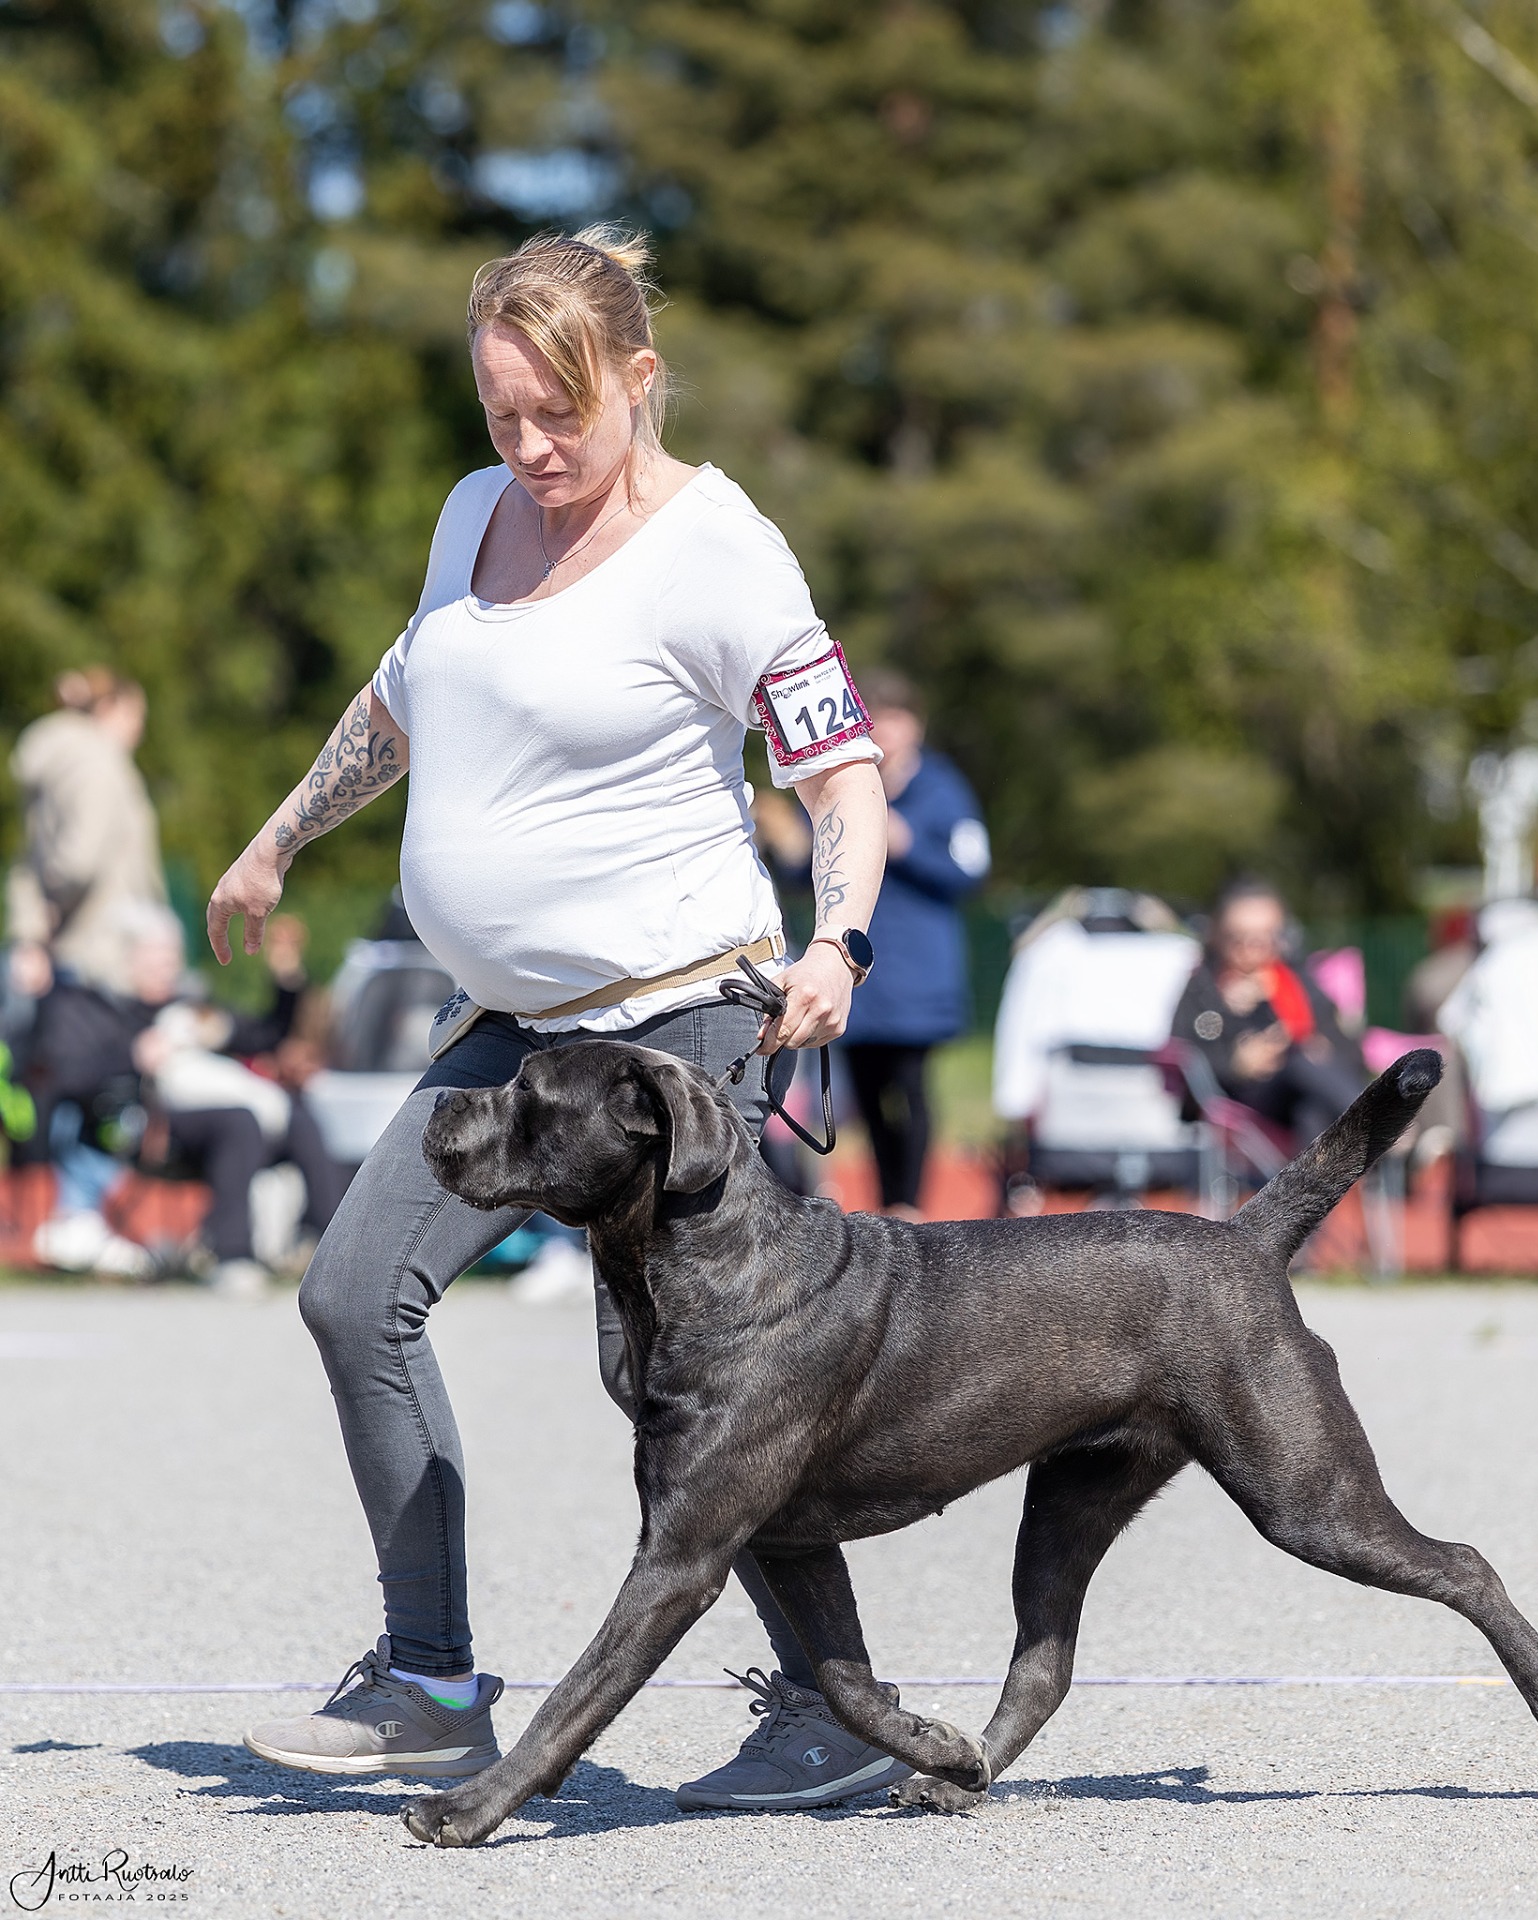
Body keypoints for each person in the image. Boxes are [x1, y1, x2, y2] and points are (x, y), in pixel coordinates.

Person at [205, 227, 895, 1810]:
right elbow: (403, 695)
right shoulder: (472, 514)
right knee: (352, 1297)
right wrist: (277, 837)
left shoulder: (720, 550)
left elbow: (838, 773)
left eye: (557, 416)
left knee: (685, 1375)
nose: (526, 449)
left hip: (678, 1033)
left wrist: (838, 941)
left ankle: (834, 1711)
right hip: (513, 1031)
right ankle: (429, 1685)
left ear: (636, 380)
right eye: (498, 413)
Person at [23, 905, 339, 1292]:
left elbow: (265, 1037)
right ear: (126, 957)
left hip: (212, 1116)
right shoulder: (97, 1010)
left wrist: (286, 980)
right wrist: (135, 1056)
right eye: (156, 954)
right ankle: (232, 1255)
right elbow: (63, 1076)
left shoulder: (191, 1007)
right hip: (138, 1124)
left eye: (172, 954)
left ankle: (330, 1248)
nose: (168, 964)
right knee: (239, 1121)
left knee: (299, 1117)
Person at [837, 671, 989, 1213]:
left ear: (916, 725)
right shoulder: (846, 783)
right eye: (874, 717)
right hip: (856, 973)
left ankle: (911, 1207)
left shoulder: (943, 789)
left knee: (911, 1091)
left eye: (894, 717)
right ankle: (886, 1207)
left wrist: (909, 845)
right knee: (867, 1101)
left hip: (918, 974)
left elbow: (970, 869)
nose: (884, 729)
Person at [7, 668, 165, 1001]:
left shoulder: (62, 761)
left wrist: (32, 928)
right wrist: (48, 919)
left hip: (77, 950)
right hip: (102, 951)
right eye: (135, 714)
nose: (139, 728)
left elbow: (30, 858)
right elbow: (79, 860)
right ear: (108, 707)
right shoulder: (98, 763)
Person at [1170, 877, 1364, 1149]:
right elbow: (1181, 1062)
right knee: (1299, 1062)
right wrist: (1236, 1064)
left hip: (1303, 1098)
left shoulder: (1294, 980)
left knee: (1310, 1110)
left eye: (1267, 937)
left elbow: (1347, 1046)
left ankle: (1323, 1177)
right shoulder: (1203, 989)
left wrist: (1318, 1045)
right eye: (1239, 939)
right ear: (1218, 935)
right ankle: (1380, 1121)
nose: (1254, 950)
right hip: (1244, 1101)